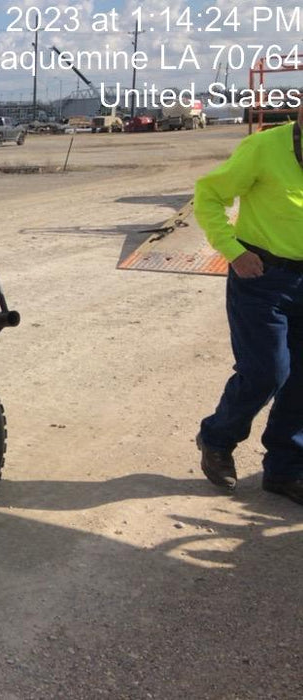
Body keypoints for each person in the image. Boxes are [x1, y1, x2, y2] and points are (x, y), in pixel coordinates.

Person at [194, 115, 303, 505]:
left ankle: (285, 469)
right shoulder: (263, 148)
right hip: (262, 278)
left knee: (301, 381)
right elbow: (208, 195)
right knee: (267, 372)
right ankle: (216, 439)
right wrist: (234, 252)